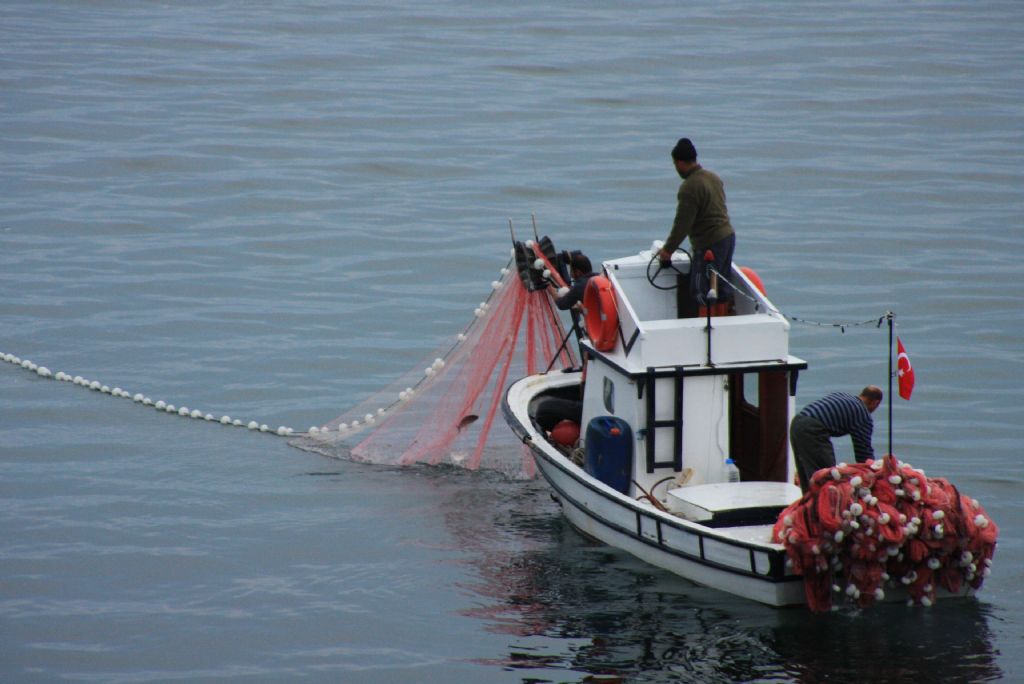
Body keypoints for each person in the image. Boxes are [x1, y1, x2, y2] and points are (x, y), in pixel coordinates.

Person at [657, 138, 735, 306]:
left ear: (679, 162)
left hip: (709, 245)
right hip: (728, 237)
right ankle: (725, 316)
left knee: (699, 290)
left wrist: (667, 251)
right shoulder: (713, 177)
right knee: (721, 285)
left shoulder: (689, 187)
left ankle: (707, 326)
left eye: (675, 164)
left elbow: (682, 224)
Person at [790, 386, 884, 492]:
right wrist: (874, 474)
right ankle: (822, 506)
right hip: (813, 429)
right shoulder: (863, 414)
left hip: (797, 423)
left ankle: (808, 504)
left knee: (806, 475)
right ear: (875, 403)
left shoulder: (844, 396)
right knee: (827, 477)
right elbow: (863, 453)